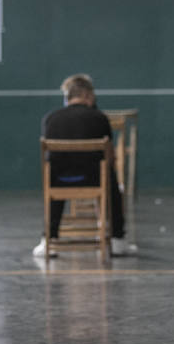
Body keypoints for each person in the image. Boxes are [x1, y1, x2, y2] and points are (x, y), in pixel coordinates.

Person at [35, 74, 135, 256]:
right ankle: (117, 239)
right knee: (110, 177)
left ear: (68, 97)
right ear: (89, 95)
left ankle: (49, 238)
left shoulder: (50, 119)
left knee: (53, 174)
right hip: (94, 180)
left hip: (60, 180)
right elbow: (110, 157)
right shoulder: (99, 118)